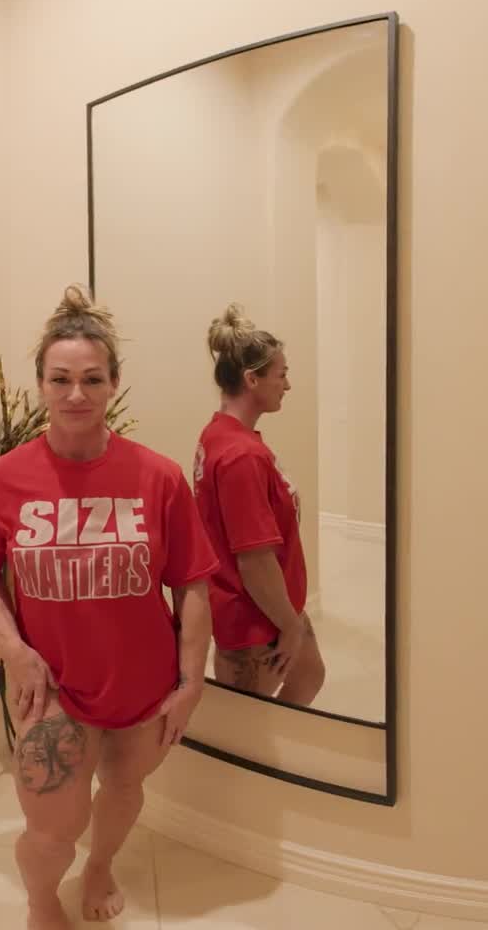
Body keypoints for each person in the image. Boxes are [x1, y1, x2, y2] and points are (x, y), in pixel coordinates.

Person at [0, 284, 214, 929]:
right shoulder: (2, 478)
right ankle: (42, 900)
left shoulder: (159, 477)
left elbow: (192, 586)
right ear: (41, 385)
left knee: (124, 788)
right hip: (52, 688)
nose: (76, 393)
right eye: (61, 379)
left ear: (114, 384)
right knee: (50, 829)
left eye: (92, 379)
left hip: (145, 684)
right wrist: (14, 652)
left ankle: (100, 866)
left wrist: (191, 684)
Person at [190, 303, 326, 707]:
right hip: (254, 616)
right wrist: (288, 625)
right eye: (281, 374)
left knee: (310, 673)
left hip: (274, 605)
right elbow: (254, 560)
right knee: (246, 720)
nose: (288, 385)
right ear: (252, 379)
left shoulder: (221, 434)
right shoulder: (241, 456)